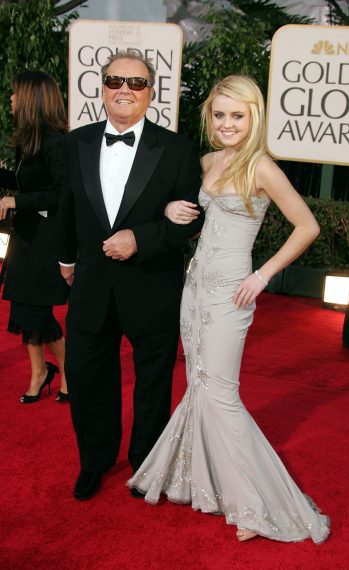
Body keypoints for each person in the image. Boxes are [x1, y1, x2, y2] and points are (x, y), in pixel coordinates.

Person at [127, 75, 330, 544]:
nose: (227, 123)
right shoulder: (208, 161)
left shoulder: (262, 167)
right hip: (194, 288)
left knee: (220, 394)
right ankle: (210, 485)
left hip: (233, 292)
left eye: (237, 115)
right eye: (219, 115)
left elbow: (308, 226)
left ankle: (256, 502)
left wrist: (262, 276)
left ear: (254, 116)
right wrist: (177, 215)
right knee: (198, 386)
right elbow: (207, 226)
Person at [57, 51, 203, 500]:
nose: (125, 89)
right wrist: (65, 260)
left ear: (151, 92)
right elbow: (66, 209)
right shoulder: (75, 142)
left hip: (151, 284)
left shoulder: (176, 147)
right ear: (101, 87)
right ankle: (95, 461)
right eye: (116, 80)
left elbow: (192, 218)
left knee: (153, 384)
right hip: (92, 285)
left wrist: (141, 238)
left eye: (136, 83)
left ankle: (146, 465)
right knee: (86, 377)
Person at [0, 71, 69, 404]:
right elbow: (25, 184)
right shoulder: (28, 139)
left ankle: (66, 373)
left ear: (30, 98)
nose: (10, 100)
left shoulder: (56, 140)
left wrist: (17, 201)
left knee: (36, 311)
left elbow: (61, 194)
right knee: (25, 308)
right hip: (26, 236)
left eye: (14, 94)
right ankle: (40, 373)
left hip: (46, 239)